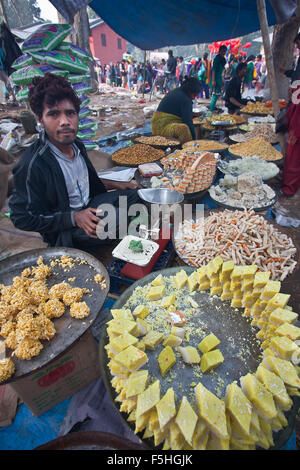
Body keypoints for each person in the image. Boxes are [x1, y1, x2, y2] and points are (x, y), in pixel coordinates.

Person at [9, 73, 140, 249]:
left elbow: (82, 183)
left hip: (90, 206)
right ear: (40, 119)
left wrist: (118, 184)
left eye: (70, 113)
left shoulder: (77, 146)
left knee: (137, 196)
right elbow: (21, 217)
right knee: (117, 218)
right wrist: (74, 218)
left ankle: (118, 231)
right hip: (66, 228)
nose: (64, 122)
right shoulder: (33, 163)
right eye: (54, 114)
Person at [151, 77, 201, 144]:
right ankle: (184, 149)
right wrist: (194, 141)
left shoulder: (177, 91)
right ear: (191, 91)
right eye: (194, 95)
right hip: (162, 129)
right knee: (184, 129)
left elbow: (179, 112)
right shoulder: (185, 99)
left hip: (156, 124)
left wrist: (193, 114)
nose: (194, 98)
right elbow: (188, 122)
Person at [279, 82, 300, 197]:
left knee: (294, 161)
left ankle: (289, 188)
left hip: (297, 128)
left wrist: (294, 130)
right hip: (295, 124)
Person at [209, 45, 227, 111]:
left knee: (217, 96)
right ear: (220, 51)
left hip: (219, 78)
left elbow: (221, 72)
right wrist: (213, 80)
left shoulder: (222, 59)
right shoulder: (217, 59)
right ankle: (211, 109)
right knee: (215, 96)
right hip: (215, 79)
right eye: (222, 51)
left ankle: (212, 108)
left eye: (225, 51)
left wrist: (222, 80)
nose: (223, 52)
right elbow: (213, 70)